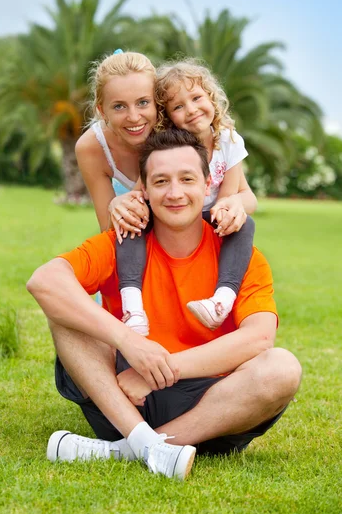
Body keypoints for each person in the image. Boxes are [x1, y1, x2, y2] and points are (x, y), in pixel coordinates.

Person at [27, 128, 302, 481]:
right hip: (125, 402)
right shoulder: (121, 242)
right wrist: (130, 343)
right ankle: (144, 443)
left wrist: (158, 371)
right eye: (160, 181)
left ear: (207, 185)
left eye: (186, 179)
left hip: (210, 409)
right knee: (66, 311)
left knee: (282, 367)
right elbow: (44, 281)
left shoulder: (243, 256)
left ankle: (129, 450)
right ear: (143, 189)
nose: (174, 193)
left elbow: (259, 340)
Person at [113, 58, 258, 335]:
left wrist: (232, 210)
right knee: (133, 221)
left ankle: (221, 301)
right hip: (166, 219)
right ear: (168, 116)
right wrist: (123, 204)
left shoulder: (229, 141)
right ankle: (132, 308)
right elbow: (140, 192)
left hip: (206, 219)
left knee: (245, 225)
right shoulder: (167, 147)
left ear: (212, 98)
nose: (191, 110)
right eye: (178, 106)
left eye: (196, 98)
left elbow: (230, 198)